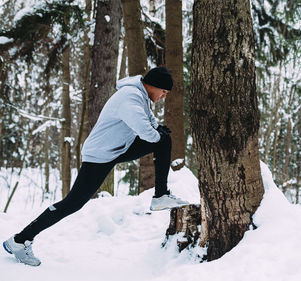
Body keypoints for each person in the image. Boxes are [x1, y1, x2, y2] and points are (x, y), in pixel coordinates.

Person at [2, 66, 188, 266]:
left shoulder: (140, 96)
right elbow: (145, 131)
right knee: (73, 203)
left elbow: (149, 121)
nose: (164, 96)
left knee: (163, 139)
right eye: (164, 92)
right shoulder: (130, 97)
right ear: (153, 86)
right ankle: (19, 241)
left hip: (117, 148)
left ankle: (161, 195)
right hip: (100, 155)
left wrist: (159, 130)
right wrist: (157, 135)